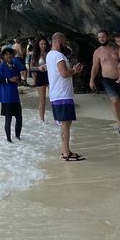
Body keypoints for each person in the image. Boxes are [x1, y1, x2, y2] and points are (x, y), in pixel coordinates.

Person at [47, 32, 84, 160]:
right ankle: (66, 153)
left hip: (55, 94)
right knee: (66, 125)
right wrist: (75, 70)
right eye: (65, 41)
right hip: (63, 95)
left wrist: (72, 69)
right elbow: (64, 74)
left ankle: (65, 151)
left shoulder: (49, 55)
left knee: (64, 125)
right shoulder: (58, 56)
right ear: (59, 41)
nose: (66, 44)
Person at [90, 30, 120, 134]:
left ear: (108, 37)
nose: (101, 39)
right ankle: (119, 125)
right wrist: (91, 80)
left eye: (103, 37)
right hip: (107, 79)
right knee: (114, 101)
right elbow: (95, 67)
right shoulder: (97, 52)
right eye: (99, 37)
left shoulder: (116, 48)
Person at [0, 47, 23, 142]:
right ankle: (9, 140)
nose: (9, 56)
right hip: (6, 97)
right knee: (8, 119)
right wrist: (9, 80)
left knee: (19, 118)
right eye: (6, 54)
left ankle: (18, 137)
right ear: (3, 56)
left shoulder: (15, 66)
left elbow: (19, 78)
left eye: (10, 54)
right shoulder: (1, 67)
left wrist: (19, 81)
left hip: (15, 97)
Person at [30, 37, 50, 122]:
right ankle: (42, 119)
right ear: (38, 45)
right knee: (42, 99)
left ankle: (57, 117)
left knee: (53, 97)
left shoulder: (49, 53)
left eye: (45, 44)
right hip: (40, 75)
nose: (43, 46)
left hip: (49, 75)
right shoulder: (35, 54)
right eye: (41, 44)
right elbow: (31, 67)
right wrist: (38, 68)